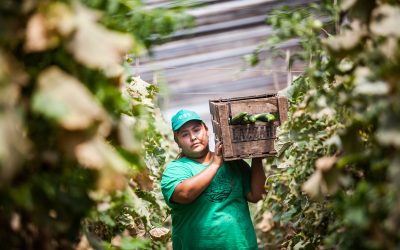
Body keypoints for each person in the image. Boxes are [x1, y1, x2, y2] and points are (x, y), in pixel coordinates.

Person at [161, 109, 266, 250]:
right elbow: (184, 194)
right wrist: (216, 163)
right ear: (177, 141)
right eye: (185, 134)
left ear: (206, 130)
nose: (193, 137)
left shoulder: (233, 162)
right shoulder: (176, 169)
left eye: (196, 130)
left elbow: (257, 195)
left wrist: (257, 158)